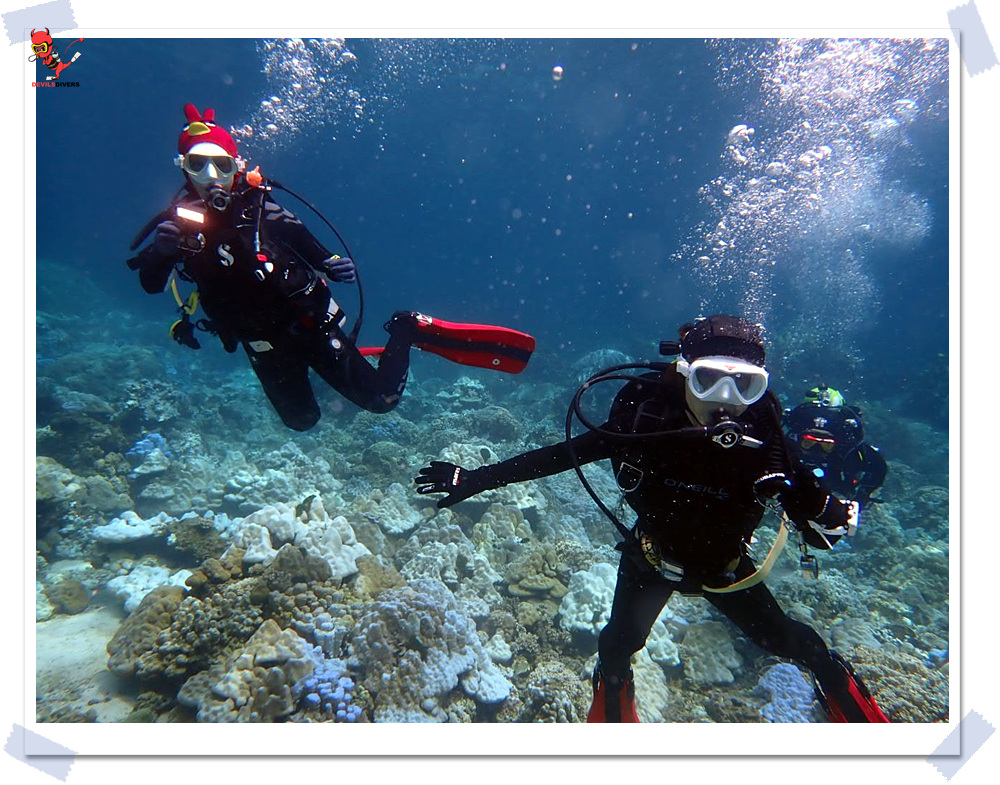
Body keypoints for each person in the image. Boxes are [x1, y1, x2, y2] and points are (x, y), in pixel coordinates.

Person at [415, 315, 889, 723]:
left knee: (788, 641)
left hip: (725, 565)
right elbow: (561, 455)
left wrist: (818, 512)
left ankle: (839, 686)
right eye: (708, 380)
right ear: (683, 373)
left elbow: (821, 514)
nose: (726, 399)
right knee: (619, 644)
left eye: (745, 385)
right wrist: (475, 479)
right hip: (652, 555)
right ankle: (614, 693)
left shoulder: (766, 444)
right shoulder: (645, 423)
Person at [126, 104, 535, 432]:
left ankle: (406, 328)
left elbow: (310, 245)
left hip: (309, 325)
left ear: (237, 166)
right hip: (260, 343)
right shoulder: (175, 225)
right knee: (301, 422)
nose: (211, 176)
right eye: (198, 164)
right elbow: (150, 284)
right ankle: (330, 379)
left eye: (222, 165)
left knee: (382, 400)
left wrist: (330, 263)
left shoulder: (261, 209)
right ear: (183, 167)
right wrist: (161, 253)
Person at [784, 385, 888, 508]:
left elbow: (878, 468)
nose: (817, 450)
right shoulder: (789, 446)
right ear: (798, 438)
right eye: (808, 443)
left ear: (837, 443)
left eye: (826, 445)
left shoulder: (847, 451)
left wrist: (861, 496)